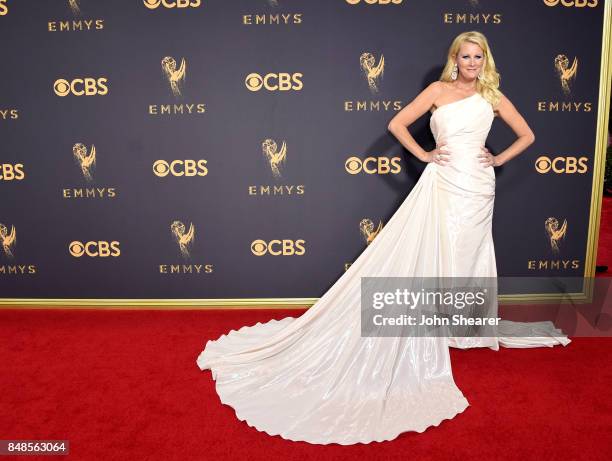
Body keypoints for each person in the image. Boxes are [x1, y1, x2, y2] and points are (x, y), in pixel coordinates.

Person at [196, 31, 570, 445]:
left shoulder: (493, 96)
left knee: (469, 252)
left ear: (485, 60)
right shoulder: (437, 90)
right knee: (436, 250)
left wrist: (497, 158)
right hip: (444, 182)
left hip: (479, 187)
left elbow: (527, 135)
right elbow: (396, 124)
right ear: (454, 59)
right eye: (465, 56)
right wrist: (425, 154)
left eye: (478, 56)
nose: (472, 63)